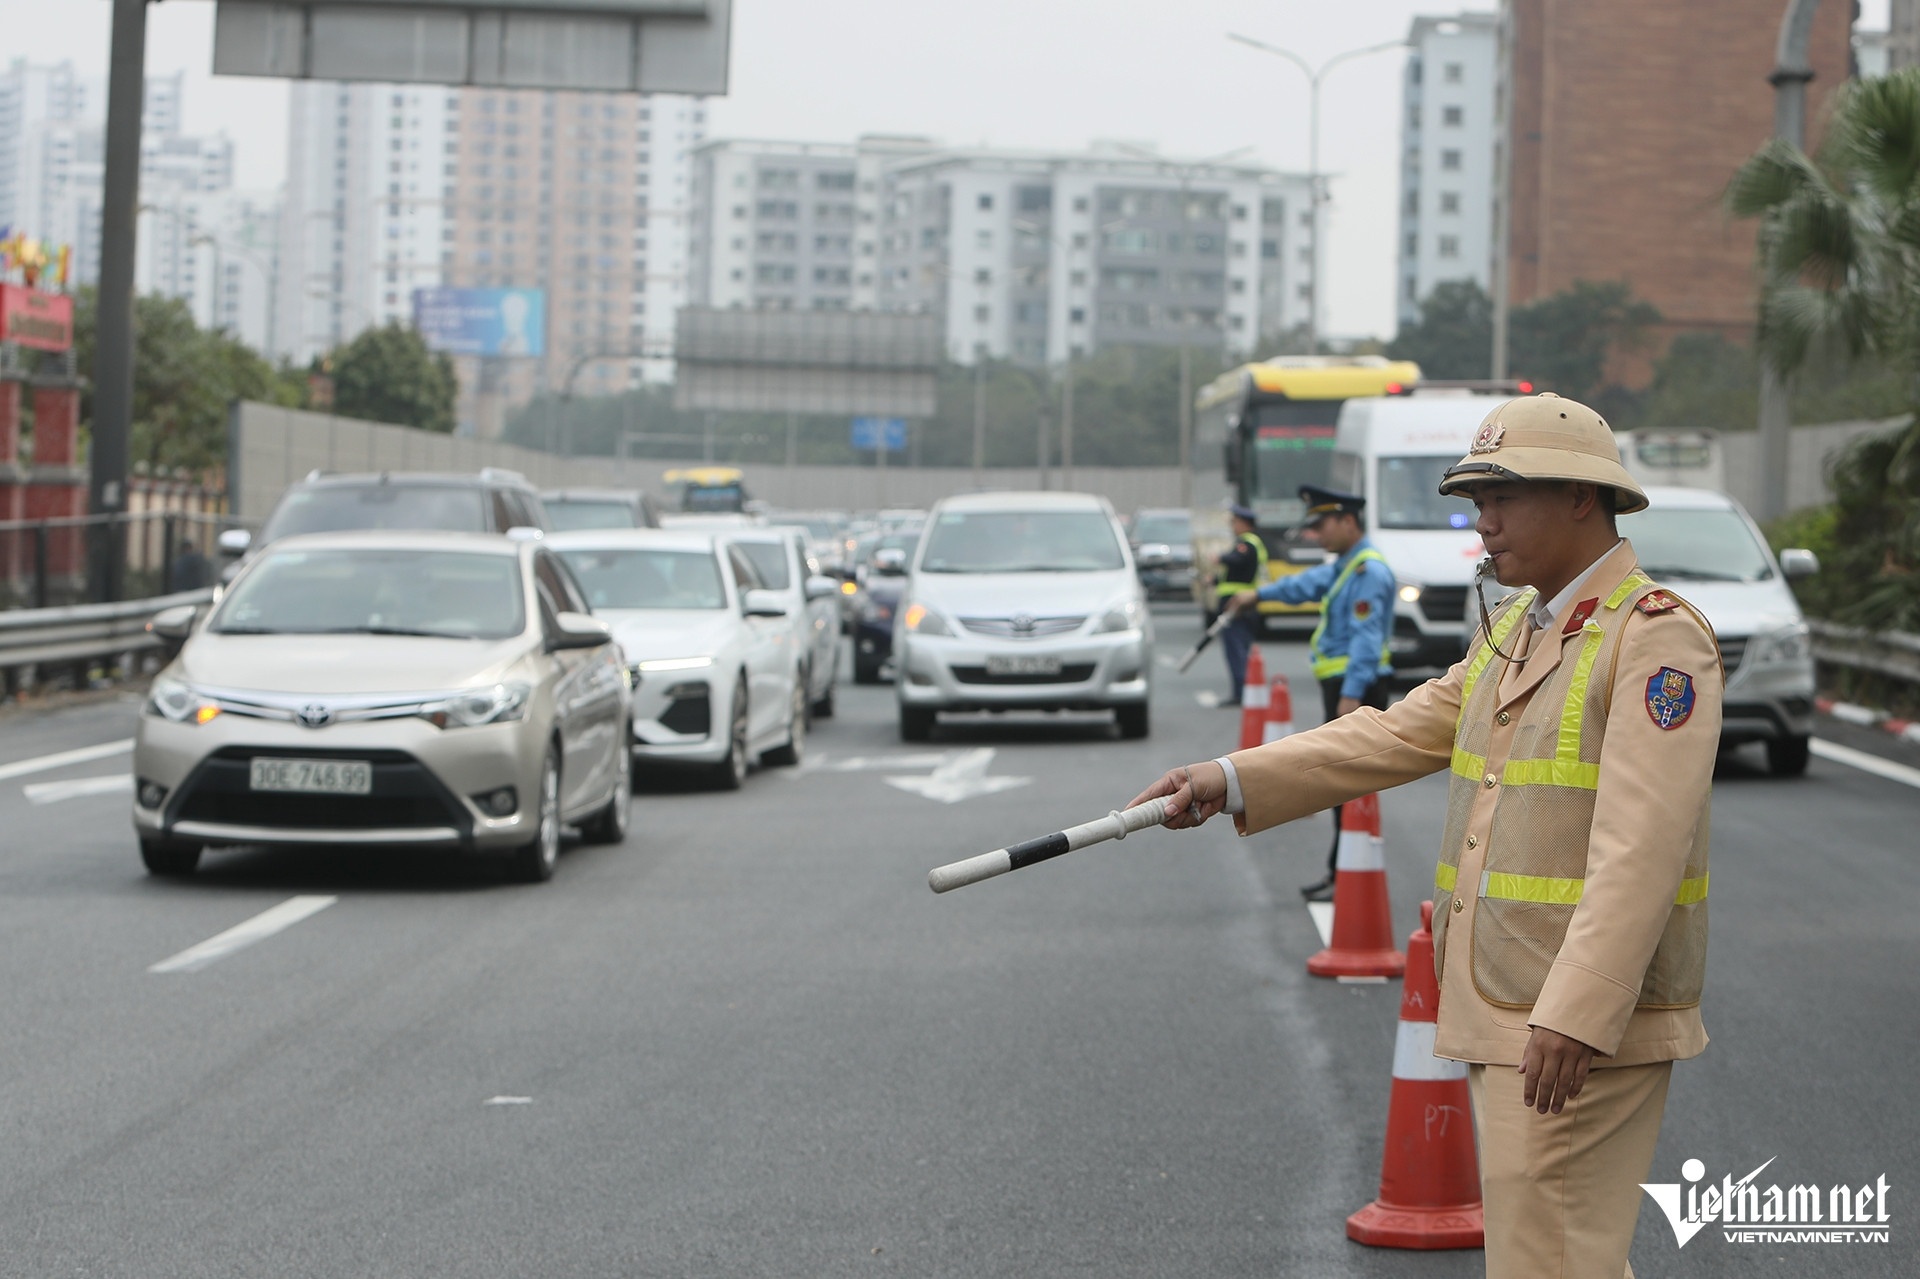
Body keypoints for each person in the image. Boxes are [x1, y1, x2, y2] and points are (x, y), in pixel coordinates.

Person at [1130, 392, 1721, 1279]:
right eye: (1475, 498)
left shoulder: (1654, 639)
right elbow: (1398, 731)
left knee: (1549, 1262)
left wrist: (1576, 1010)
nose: (1480, 520)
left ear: (1579, 498)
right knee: (1560, 1257)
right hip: (1509, 1001)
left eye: (1502, 496)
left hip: (1572, 1024)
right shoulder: (1521, 627)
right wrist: (1233, 776)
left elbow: (1643, 846)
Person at [1229, 484, 1393, 902]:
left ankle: (1349, 874)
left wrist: (1352, 695)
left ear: (1348, 520)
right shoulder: (1346, 566)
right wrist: (1259, 596)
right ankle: (1342, 871)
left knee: (1346, 782)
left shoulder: (1366, 572)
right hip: (1343, 686)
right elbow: (1306, 584)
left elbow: (1366, 640)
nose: (1317, 535)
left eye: (1322, 525)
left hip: (1354, 688)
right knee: (1343, 781)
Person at [1209, 504, 1267, 705]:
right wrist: (1213, 581)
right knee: (1238, 648)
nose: (1232, 526)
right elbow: (1235, 573)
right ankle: (1242, 691)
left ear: (1244, 523)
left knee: (1236, 649)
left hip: (1238, 606)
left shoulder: (1247, 543)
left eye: (1235, 522)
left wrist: (1220, 557)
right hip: (1241, 604)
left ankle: (1241, 693)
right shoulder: (1249, 543)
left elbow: (1237, 560)